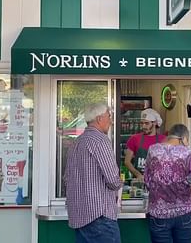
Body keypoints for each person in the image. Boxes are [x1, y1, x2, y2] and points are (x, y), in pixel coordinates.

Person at [64, 102, 123, 243]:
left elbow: (67, 178)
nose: (111, 121)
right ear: (99, 119)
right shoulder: (100, 141)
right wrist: (121, 184)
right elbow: (113, 180)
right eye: (109, 116)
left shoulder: (77, 142)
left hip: (79, 215)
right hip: (99, 215)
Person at [144, 124, 191, 243]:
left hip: (159, 215)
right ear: (183, 138)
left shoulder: (153, 150)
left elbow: (147, 180)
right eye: (187, 141)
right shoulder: (187, 153)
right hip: (184, 214)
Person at [124, 108, 166, 180]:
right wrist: (138, 175)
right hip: (139, 183)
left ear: (155, 123)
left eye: (146, 123)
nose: (143, 126)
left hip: (158, 182)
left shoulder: (164, 140)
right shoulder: (134, 139)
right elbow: (127, 162)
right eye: (142, 123)